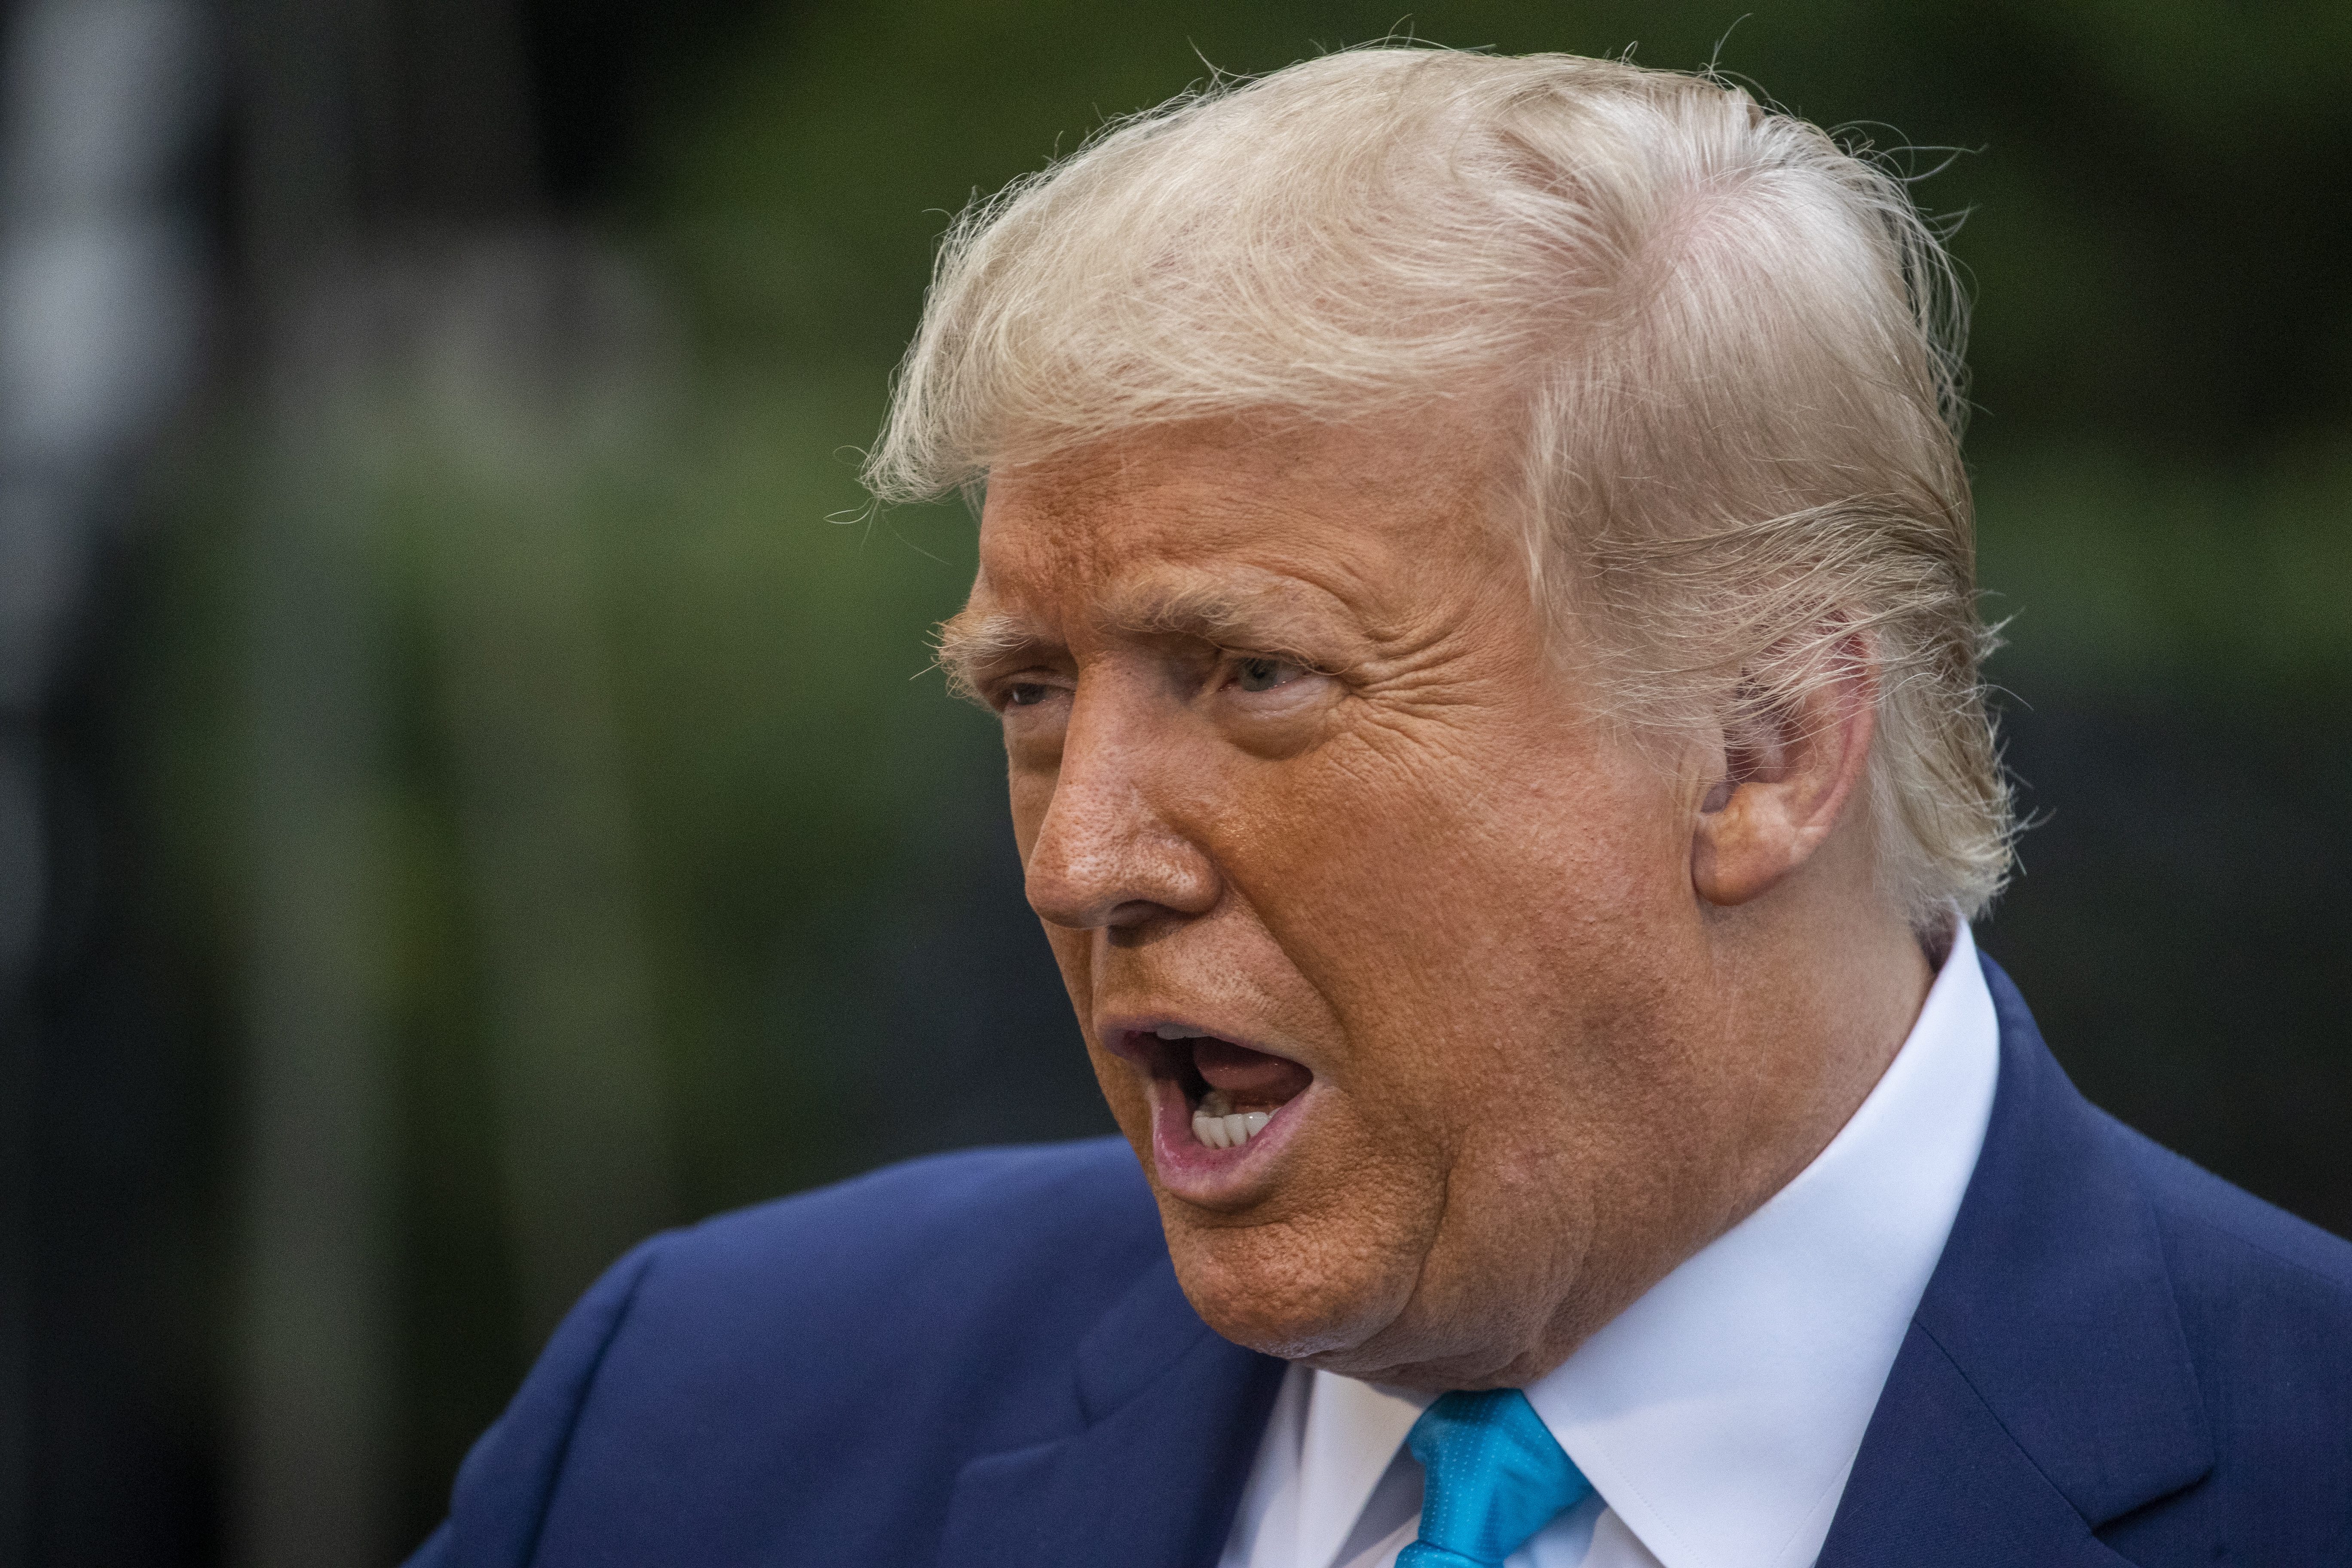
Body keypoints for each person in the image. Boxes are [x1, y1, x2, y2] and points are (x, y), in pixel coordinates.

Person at [407, 48, 2352, 1568]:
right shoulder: (707, 1418)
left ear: (1765, 747)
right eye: (1028, 692)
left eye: (1257, 677)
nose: (1082, 860)